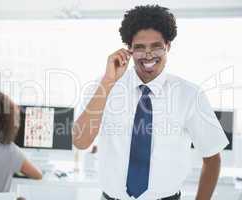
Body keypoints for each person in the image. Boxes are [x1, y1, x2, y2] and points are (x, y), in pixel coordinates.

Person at [73, 5, 229, 200]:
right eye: (140, 47)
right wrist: (108, 82)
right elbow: (80, 141)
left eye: (156, 46)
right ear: (129, 49)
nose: (148, 55)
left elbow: (212, 157)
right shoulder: (104, 85)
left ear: (168, 46)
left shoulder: (189, 95)